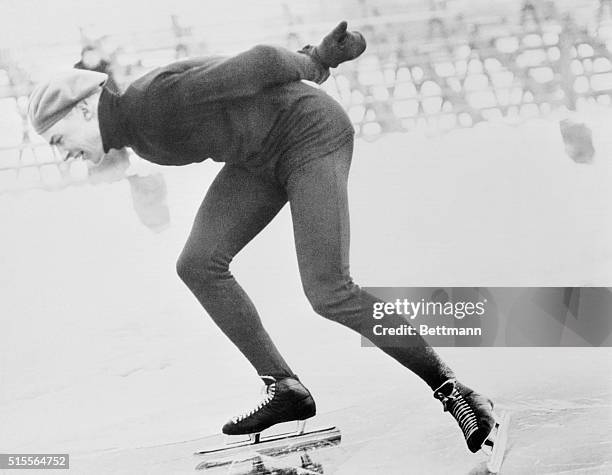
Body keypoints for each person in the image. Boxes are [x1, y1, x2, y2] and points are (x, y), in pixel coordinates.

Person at [27, 22, 497, 455]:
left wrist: (317, 60)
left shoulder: (153, 105)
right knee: (197, 264)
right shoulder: (134, 126)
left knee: (329, 291)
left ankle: (455, 391)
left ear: (85, 106)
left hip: (309, 135)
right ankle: (285, 388)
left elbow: (260, 63)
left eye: (57, 140)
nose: (63, 155)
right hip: (257, 158)